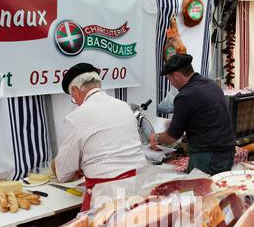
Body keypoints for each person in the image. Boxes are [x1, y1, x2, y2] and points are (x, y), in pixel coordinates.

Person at [54, 62, 147, 211]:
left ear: (75, 90)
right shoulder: (123, 106)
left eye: (73, 97)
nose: (75, 102)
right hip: (142, 186)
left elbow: (64, 173)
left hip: (109, 196)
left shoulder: (75, 118)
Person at [150, 54, 236, 175]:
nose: (171, 84)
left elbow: (171, 137)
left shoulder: (185, 95)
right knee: (217, 189)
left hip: (208, 156)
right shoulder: (211, 84)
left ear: (176, 76)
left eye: (170, 80)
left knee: (200, 192)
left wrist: (156, 137)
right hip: (227, 150)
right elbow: (205, 118)